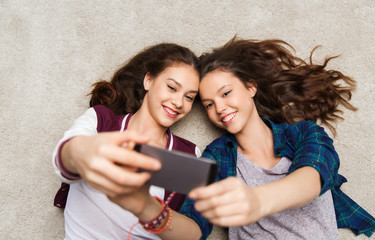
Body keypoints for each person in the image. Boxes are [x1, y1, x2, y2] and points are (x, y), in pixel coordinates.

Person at [179, 37, 375, 239]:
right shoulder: (217, 156)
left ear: (250, 88)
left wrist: (255, 202)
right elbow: (193, 227)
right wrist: (152, 211)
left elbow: (312, 178)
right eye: (209, 104)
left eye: (226, 93)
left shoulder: (304, 134)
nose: (219, 108)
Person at [52, 43, 203, 239]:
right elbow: (64, 157)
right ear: (148, 80)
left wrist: (148, 208)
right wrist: (82, 151)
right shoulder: (101, 120)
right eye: (172, 88)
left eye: (189, 97)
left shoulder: (189, 154)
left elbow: (194, 234)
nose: (178, 102)